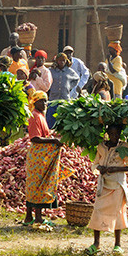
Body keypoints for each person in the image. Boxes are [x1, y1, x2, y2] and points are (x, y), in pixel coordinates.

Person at [86, 123, 128, 256]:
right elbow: (95, 163)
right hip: (104, 184)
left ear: (120, 134)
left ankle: (117, 244)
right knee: (98, 210)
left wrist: (115, 169)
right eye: (112, 134)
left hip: (117, 184)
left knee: (117, 212)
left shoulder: (125, 147)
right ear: (107, 134)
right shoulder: (101, 147)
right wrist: (100, 168)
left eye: (117, 134)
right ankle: (96, 243)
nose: (114, 136)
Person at [23, 91, 69, 226]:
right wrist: (53, 141)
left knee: (37, 185)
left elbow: (44, 135)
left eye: (45, 101)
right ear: (34, 102)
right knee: (38, 184)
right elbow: (35, 138)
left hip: (42, 156)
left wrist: (54, 136)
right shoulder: (34, 116)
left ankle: (29, 217)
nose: (44, 103)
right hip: (37, 156)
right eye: (41, 101)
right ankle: (36, 217)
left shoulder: (41, 116)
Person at [47, 53, 80, 129]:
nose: (61, 62)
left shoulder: (69, 71)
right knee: (51, 119)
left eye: (63, 60)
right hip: (53, 98)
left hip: (64, 99)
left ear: (66, 61)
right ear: (56, 61)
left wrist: (69, 87)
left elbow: (76, 79)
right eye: (59, 60)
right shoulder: (52, 70)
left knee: (64, 120)